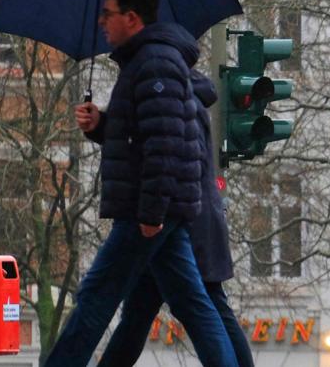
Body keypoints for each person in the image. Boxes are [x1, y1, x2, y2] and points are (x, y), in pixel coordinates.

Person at [43, 0, 238, 367]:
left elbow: (164, 145)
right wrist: (100, 124)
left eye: (108, 14)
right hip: (156, 210)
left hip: (144, 210)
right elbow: (140, 135)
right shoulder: (146, 62)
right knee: (193, 305)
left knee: (97, 295)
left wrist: (151, 214)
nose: (102, 22)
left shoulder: (154, 63)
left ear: (131, 18)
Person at [97, 69, 253, 367]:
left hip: (178, 222)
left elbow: (160, 151)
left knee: (203, 308)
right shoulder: (178, 90)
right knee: (139, 316)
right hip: (180, 218)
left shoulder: (167, 92)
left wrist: (152, 212)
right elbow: (143, 141)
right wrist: (100, 126)